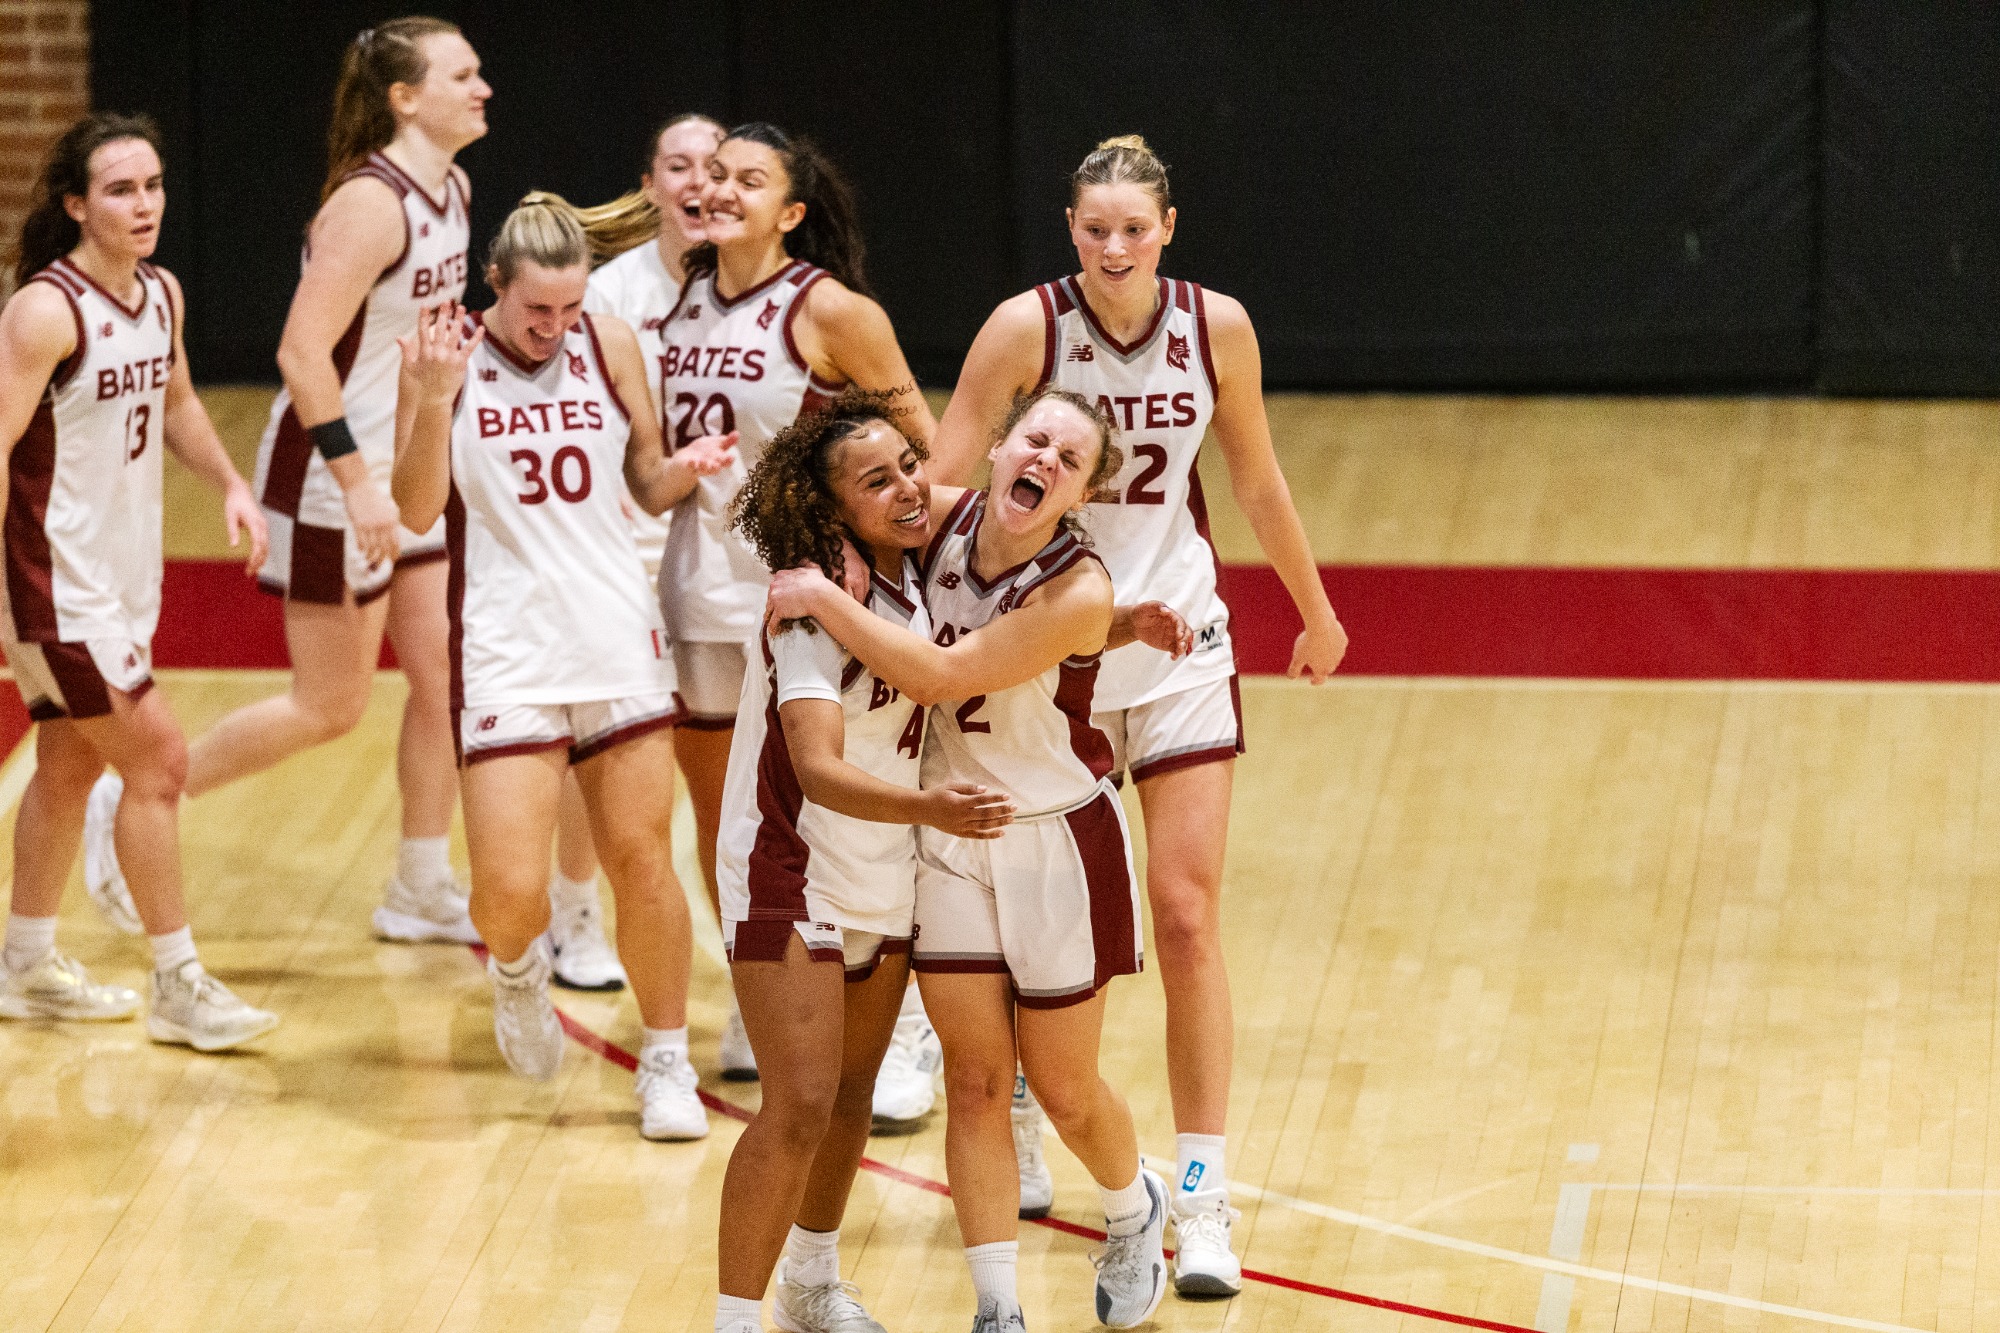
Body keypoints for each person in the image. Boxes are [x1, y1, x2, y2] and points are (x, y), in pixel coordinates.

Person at [928, 135, 1349, 1294]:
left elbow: (1255, 475)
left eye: (1134, 228)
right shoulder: (1025, 328)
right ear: (1069, 228)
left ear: (1168, 228)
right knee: (1020, 922)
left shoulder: (1217, 325)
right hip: (1041, 653)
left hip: (1175, 647)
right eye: (1094, 227)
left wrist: (1314, 611)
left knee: (1183, 910)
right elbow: (945, 477)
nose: (1114, 246)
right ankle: (1016, 1104)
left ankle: (1202, 1199)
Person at [765, 386, 1193, 1331]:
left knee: (1067, 1088)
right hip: (955, 836)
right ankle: (997, 1307)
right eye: (1033, 439)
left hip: (1058, 845)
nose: (1043, 460)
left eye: (1068, 459)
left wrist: (821, 602)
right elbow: (846, 520)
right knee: (974, 1079)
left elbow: (952, 671)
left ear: (1080, 492)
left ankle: (1134, 1210)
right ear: (999, 448)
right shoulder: (941, 519)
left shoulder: (1079, 586)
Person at [83, 18, 492, 946]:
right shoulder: (369, 205)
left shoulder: (453, 189)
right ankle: (135, 794)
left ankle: (421, 883)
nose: (483, 88)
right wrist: (356, 484)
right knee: (331, 705)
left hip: (409, 465)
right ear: (405, 99)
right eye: (462, 75)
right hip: (328, 473)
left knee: (446, 677)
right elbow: (301, 353)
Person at [390, 195, 735, 1136]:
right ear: (494, 286)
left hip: (615, 636)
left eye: (570, 308)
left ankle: (664, 1060)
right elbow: (416, 509)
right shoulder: (442, 358)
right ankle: (516, 974)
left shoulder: (611, 342)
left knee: (641, 861)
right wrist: (426, 401)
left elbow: (645, 475)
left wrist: (691, 466)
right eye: (538, 309)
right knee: (508, 892)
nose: (555, 327)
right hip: (507, 650)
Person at [710, 392, 1016, 1333]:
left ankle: (810, 1280)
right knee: (796, 1101)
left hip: (884, 864)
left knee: (850, 1094)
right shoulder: (814, 602)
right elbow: (814, 765)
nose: (907, 488)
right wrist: (933, 808)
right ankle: (732, 1319)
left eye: (909, 467)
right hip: (788, 864)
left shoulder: (920, 581)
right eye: (875, 481)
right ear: (832, 505)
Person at [657, 120, 939, 1081]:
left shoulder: (829, 312)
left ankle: (899, 1024)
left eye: (749, 180)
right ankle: (760, 987)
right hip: (701, 590)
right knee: (726, 813)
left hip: (811, 599)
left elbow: (923, 450)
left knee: (850, 797)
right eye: (714, 175)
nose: (723, 190)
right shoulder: (674, 293)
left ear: (791, 212)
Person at [0, 112, 277, 1050]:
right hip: (52, 585)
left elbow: (183, 402)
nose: (145, 203)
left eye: (153, 185)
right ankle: (179, 980)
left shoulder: (159, 294)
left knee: (70, 762)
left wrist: (231, 484)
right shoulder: (46, 310)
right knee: (156, 760)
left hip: (119, 578)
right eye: (121, 189)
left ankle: (27, 960)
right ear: (76, 205)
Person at [540, 112, 726, 994]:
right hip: (621, 542)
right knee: (605, 742)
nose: (697, 182)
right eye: (677, 165)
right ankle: (573, 913)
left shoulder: (756, 289)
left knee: (715, 768)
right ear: (650, 185)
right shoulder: (609, 295)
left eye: (713, 167)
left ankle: (745, 962)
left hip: (718, 547)